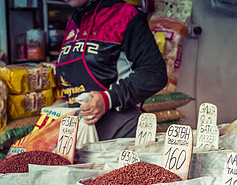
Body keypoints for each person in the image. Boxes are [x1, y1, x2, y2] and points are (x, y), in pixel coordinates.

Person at [57, 0, 168, 140]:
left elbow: (154, 73)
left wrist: (108, 99)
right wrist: (66, 98)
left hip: (120, 130)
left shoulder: (125, 15)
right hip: (80, 128)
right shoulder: (74, 20)